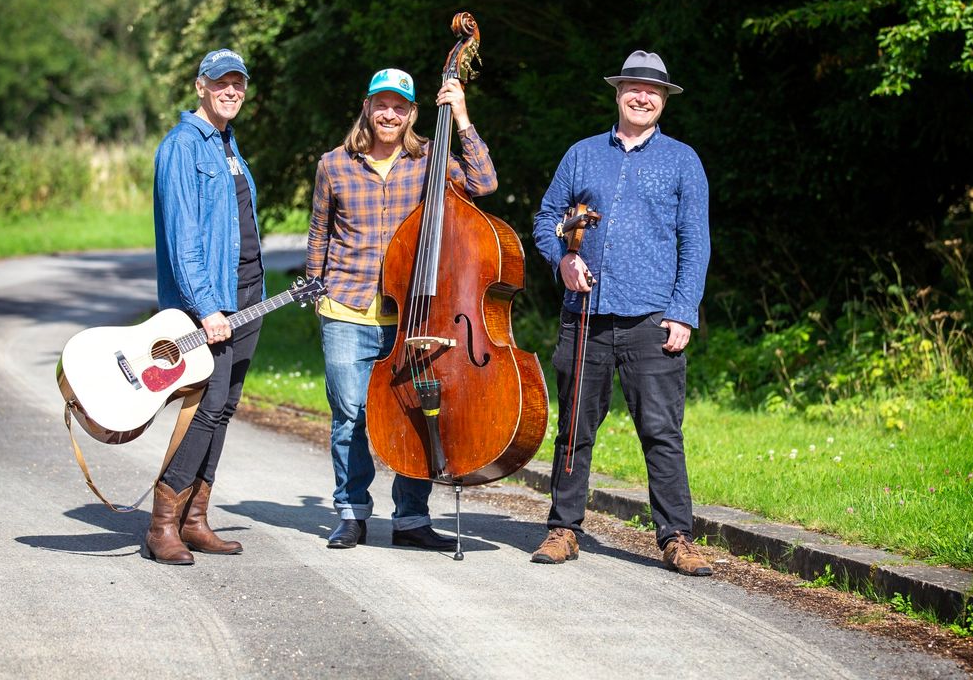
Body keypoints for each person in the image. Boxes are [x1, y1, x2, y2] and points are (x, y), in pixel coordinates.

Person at [530, 50, 713, 576]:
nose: (642, 96)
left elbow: (694, 243)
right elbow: (547, 219)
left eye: (652, 91)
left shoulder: (683, 160)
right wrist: (563, 258)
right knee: (574, 429)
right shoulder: (583, 154)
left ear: (663, 100)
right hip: (584, 316)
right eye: (633, 87)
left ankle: (677, 537)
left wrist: (682, 312)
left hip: (651, 320)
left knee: (660, 431)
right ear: (618, 93)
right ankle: (563, 529)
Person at [306, 67, 498, 550]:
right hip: (346, 308)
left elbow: (485, 183)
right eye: (381, 104)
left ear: (413, 113)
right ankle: (351, 513)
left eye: (399, 106)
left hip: (414, 314)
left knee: (415, 413)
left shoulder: (432, 159)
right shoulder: (334, 164)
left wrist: (460, 116)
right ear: (367, 108)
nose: (388, 114)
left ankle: (411, 519)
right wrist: (318, 290)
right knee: (349, 415)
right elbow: (318, 233)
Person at [147, 48, 264, 565]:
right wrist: (206, 307)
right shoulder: (181, 147)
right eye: (221, 83)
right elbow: (183, 238)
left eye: (238, 83)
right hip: (211, 303)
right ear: (200, 86)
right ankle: (161, 523)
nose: (231, 91)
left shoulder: (227, 145)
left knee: (226, 405)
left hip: (249, 294)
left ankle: (195, 520)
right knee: (206, 406)